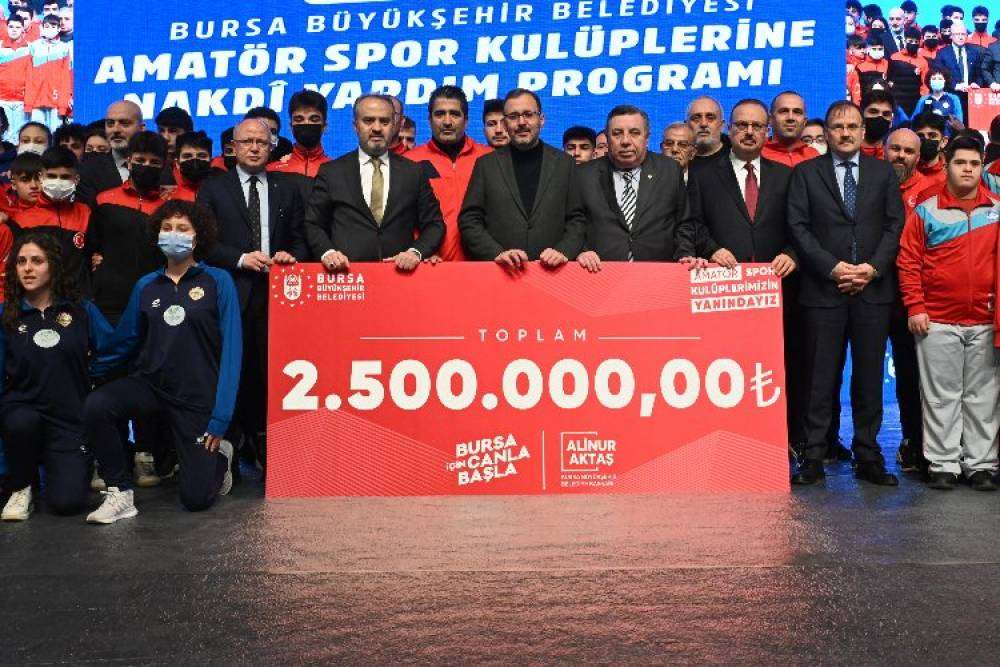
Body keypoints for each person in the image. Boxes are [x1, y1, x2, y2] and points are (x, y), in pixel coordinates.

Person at [83, 200, 241, 522]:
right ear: (157, 235)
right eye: (167, 228)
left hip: (196, 395)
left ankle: (220, 458)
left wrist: (220, 418)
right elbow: (125, 340)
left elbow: (232, 350)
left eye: (182, 228)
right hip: (151, 386)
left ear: (198, 236)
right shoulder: (146, 285)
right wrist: (89, 367)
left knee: (195, 499)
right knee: (98, 405)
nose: (173, 234)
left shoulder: (218, 281)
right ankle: (119, 492)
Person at [787, 100, 905, 487]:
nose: (845, 133)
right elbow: (798, 227)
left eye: (852, 126)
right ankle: (813, 455)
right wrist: (833, 267)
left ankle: (868, 455)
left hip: (873, 289)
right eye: (838, 127)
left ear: (862, 131)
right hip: (824, 289)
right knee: (820, 379)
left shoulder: (883, 172)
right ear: (827, 132)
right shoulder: (806, 173)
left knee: (869, 379)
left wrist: (872, 268)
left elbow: (894, 226)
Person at [683, 99, 802, 449]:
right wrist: (710, 249)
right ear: (729, 129)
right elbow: (691, 223)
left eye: (756, 126)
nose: (749, 132)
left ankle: (784, 443)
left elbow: (801, 228)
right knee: (725, 372)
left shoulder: (787, 177)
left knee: (780, 371)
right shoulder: (702, 175)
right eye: (741, 125)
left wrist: (791, 254)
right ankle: (724, 441)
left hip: (778, 295)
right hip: (722, 295)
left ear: (767, 131)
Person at [197, 118, 306, 466]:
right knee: (232, 371)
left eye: (262, 142)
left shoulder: (288, 188)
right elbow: (203, 242)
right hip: (230, 291)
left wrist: (291, 256)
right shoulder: (214, 188)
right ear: (233, 147)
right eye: (247, 142)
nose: (255, 148)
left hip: (279, 295)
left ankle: (266, 442)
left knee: (270, 371)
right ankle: (230, 442)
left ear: (272, 147)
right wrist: (241, 258)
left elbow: (301, 238)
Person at [896, 136, 1000, 491]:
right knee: (940, 397)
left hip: (985, 320)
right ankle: (943, 464)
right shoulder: (926, 209)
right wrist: (916, 307)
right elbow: (908, 262)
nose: (968, 169)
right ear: (947, 164)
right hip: (936, 320)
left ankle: (981, 465)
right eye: (960, 163)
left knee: (983, 398)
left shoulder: (997, 209)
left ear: (982, 166)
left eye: (974, 163)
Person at [0, 232, 112, 520]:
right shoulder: (6, 315)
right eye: (21, 261)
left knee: (67, 503)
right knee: (20, 421)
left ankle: (76, 463)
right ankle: (22, 486)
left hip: (68, 419)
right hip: (22, 413)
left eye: (37, 261)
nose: (27, 268)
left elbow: (113, 350)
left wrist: (92, 374)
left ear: (53, 266)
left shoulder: (81, 310)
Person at [305, 94, 443, 272]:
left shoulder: (414, 172)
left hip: (401, 277)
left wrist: (415, 252)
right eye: (368, 120)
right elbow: (313, 223)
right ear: (355, 126)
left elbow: (434, 224)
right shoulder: (331, 172)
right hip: (347, 278)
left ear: (394, 125)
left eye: (384, 121)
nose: (377, 128)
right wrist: (328, 252)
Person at [459, 89, 584, 268]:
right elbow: (469, 220)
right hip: (502, 272)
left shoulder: (565, 163)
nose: (521, 122)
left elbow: (577, 219)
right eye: (513, 116)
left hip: (554, 273)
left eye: (528, 114)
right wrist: (496, 253)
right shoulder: (486, 165)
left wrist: (563, 250)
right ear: (505, 123)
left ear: (541, 119)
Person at [575, 105, 691, 271]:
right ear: (607, 138)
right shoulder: (583, 175)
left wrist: (685, 254)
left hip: (658, 275)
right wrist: (581, 251)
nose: (625, 141)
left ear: (647, 138)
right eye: (617, 133)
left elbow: (684, 223)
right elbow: (572, 223)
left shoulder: (669, 170)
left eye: (634, 133)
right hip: (599, 274)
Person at [883, 128, 928, 474]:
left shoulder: (930, 191)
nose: (900, 155)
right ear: (884, 150)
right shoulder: (867, 183)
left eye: (908, 151)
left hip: (908, 296)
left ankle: (914, 441)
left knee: (912, 374)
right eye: (895, 148)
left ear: (918, 156)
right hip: (867, 289)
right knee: (859, 373)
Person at [87, 131, 166, 324]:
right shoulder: (104, 199)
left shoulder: (169, 208)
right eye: (140, 160)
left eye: (154, 162)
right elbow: (90, 246)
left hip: (154, 297)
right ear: (129, 161)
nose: (146, 166)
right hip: (108, 299)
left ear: (163, 166)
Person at [406, 85, 492, 262]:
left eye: (454, 114)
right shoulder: (409, 162)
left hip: (484, 265)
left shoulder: (489, 158)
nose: (447, 121)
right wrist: (421, 250)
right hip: (428, 265)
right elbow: (402, 219)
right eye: (439, 114)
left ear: (466, 120)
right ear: (429, 120)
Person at [5, 147, 89, 290]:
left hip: (78, 298)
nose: (58, 182)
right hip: (37, 298)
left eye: (65, 177)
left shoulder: (86, 213)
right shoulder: (21, 220)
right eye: (51, 176)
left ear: (76, 179)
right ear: (41, 177)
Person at [267, 89, 332, 203]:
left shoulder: (337, 171)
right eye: (299, 119)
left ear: (325, 126)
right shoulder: (271, 171)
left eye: (314, 119)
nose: (306, 123)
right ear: (291, 127)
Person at [77, 100, 146, 207]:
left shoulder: (160, 168)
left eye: (124, 123)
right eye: (110, 124)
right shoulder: (87, 171)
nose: (116, 129)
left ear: (142, 128)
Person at [762, 91, 819, 167]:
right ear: (770, 119)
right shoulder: (757, 155)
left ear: (805, 122)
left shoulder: (814, 156)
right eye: (784, 111)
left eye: (797, 112)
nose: (790, 117)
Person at [0, 16, 30, 147]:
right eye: (11, 26)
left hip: (21, 100)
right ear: (6, 27)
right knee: (4, 135)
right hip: (2, 99)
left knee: (20, 135)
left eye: (18, 27)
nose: (14, 30)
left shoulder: (30, 48)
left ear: (23, 29)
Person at [888, 27, 931, 115]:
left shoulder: (923, 62)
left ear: (920, 43)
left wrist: (923, 101)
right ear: (905, 40)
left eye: (916, 42)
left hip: (914, 101)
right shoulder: (894, 57)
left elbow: (925, 84)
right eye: (910, 41)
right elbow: (889, 79)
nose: (913, 44)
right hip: (896, 100)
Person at [933, 22, 986, 91]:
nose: (960, 37)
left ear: (967, 35)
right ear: (951, 36)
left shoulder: (975, 51)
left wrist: (977, 83)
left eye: (963, 34)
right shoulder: (942, 53)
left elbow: (980, 73)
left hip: (971, 92)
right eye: (957, 34)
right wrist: (955, 86)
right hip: (951, 93)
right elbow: (939, 75)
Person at [686, 96, 729, 171]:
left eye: (710, 118)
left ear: (722, 125)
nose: (703, 124)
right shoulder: (675, 162)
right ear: (686, 126)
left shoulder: (738, 155)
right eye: (696, 118)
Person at [168, 131, 213, 202]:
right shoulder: (167, 198)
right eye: (187, 156)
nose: (195, 161)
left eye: (202, 156)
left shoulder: (223, 193)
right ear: (177, 163)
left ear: (211, 161)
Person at [912, 112, 949, 187]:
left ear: (943, 142)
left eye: (932, 136)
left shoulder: (951, 176)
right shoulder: (905, 172)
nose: (926, 139)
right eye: (920, 136)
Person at [859, 89, 895, 159]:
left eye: (886, 114)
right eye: (873, 112)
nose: (880, 117)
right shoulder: (845, 152)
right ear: (860, 115)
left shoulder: (894, 157)